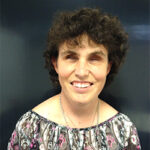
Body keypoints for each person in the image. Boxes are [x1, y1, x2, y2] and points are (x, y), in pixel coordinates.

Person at [8, 8, 141, 149]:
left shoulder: (124, 131)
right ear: (56, 64)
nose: (82, 71)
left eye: (94, 58)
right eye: (71, 57)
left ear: (108, 67)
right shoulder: (29, 130)